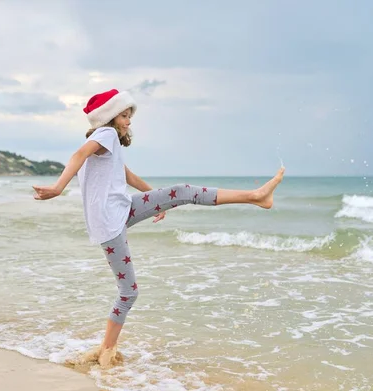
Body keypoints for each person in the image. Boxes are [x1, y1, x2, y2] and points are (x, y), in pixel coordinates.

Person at [32, 89, 285, 368]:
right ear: (110, 117)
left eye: (130, 116)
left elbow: (128, 176)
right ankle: (106, 349)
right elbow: (78, 154)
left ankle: (255, 197)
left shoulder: (108, 143)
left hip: (120, 210)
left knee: (179, 192)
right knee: (128, 291)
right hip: (110, 221)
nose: (129, 121)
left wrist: (158, 200)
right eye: (124, 115)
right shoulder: (104, 135)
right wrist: (58, 187)